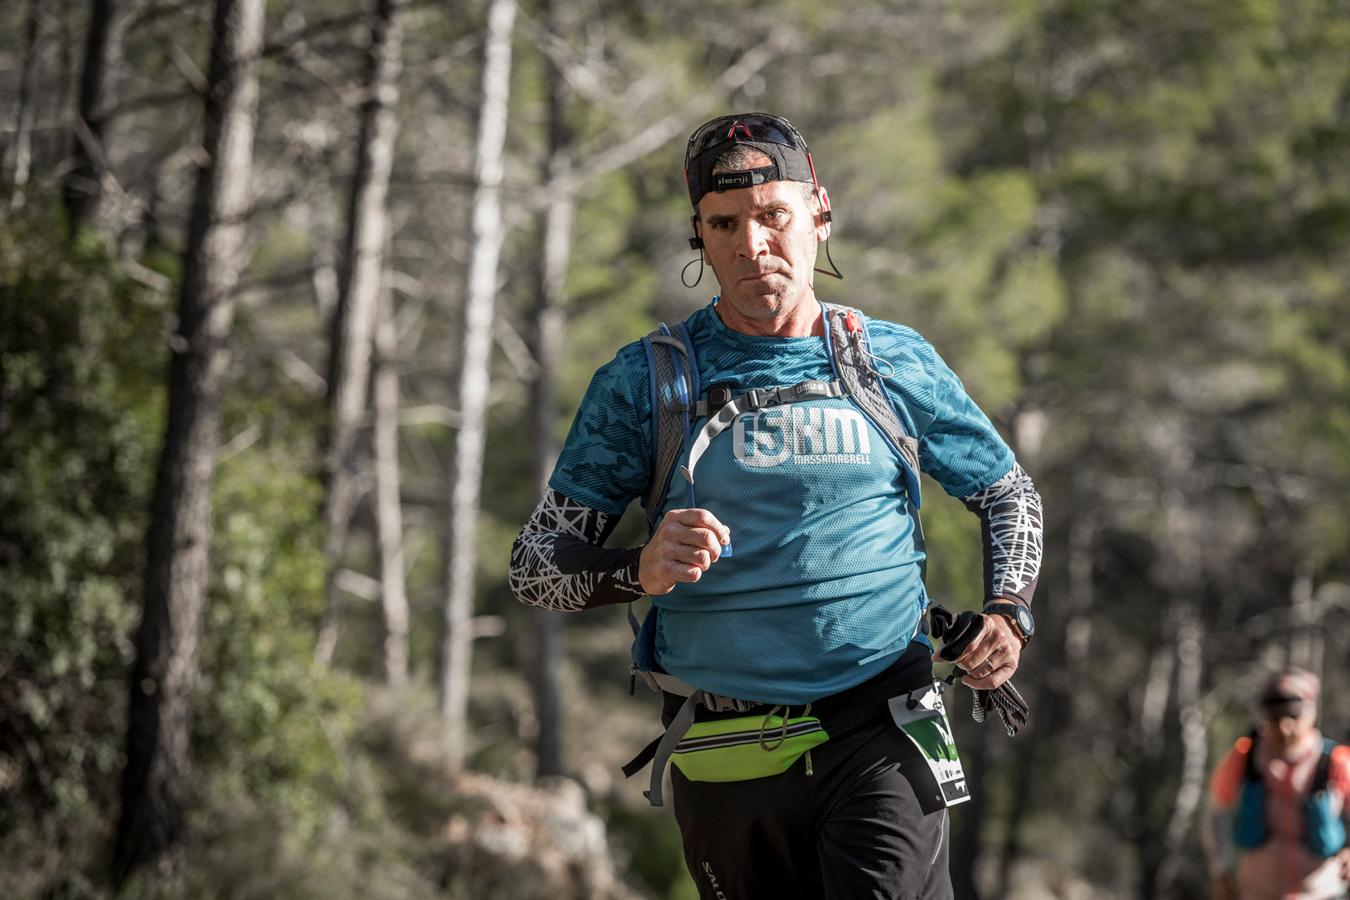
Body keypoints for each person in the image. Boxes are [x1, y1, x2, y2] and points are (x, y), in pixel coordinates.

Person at [509, 112, 1044, 899]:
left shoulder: (887, 360)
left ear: (820, 212)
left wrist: (1009, 610)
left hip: (880, 727)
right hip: (724, 749)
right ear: (698, 234)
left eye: (773, 216)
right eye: (723, 224)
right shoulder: (645, 384)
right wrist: (639, 568)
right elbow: (533, 569)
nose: (752, 244)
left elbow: (1008, 494)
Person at [1205, 668, 1350, 900]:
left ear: (1311, 713)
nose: (1284, 727)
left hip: (1321, 893)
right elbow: (1215, 812)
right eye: (1275, 717)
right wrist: (1221, 870)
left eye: (1293, 716)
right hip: (1257, 891)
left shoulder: (1335, 759)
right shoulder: (1245, 754)